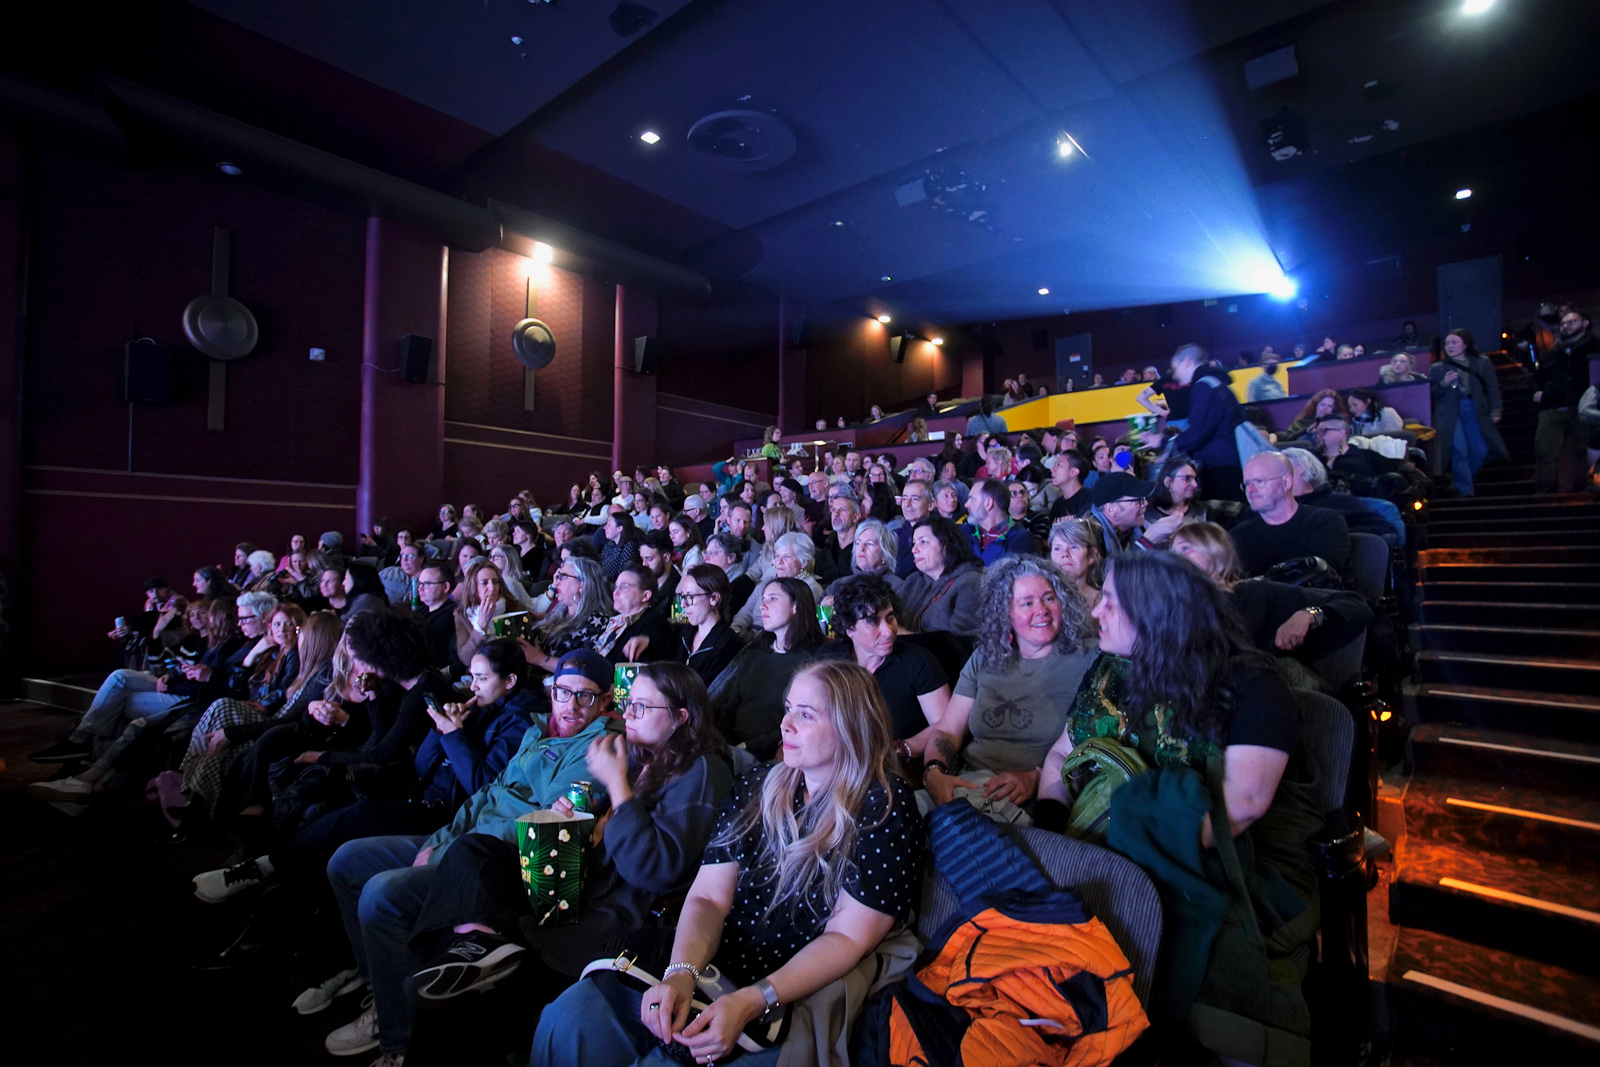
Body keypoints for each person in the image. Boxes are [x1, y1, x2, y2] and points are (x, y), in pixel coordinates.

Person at [532, 659, 923, 1067]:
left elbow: (846, 939)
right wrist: (680, 973)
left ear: (851, 727)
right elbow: (708, 898)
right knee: (569, 1016)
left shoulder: (884, 806)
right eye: (788, 708)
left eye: (805, 715)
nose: (785, 724)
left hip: (789, 989)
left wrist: (752, 1000)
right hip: (714, 962)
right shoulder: (761, 783)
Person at [1037, 551, 1320, 1059]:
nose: (1096, 611)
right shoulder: (1110, 670)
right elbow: (1062, 752)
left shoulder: (1248, 683)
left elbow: (1244, 805)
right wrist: (1055, 828)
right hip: (1100, 835)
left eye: (1110, 603)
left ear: (1155, 615)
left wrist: (1125, 855)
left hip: (1218, 853)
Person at [399, 662, 733, 1067]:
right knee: (473, 852)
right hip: (566, 891)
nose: (626, 714)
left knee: (453, 1009)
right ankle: (478, 948)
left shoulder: (700, 770)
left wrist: (617, 787)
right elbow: (608, 839)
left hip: (605, 926)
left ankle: (478, 963)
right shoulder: (646, 760)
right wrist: (577, 820)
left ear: (681, 718)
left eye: (641, 707)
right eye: (628, 703)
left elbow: (653, 869)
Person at [320, 648, 614, 1063]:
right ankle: (379, 985)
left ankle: (397, 1040)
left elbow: (541, 827)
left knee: (381, 893)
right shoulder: (536, 729)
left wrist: (451, 850)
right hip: (457, 836)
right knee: (346, 860)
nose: (571, 705)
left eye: (585, 696)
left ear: (604, 702)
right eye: (563, 692)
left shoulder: (597, 749)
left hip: (492, 862)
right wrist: (440, 840)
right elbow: (484, 795)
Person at [921, 556, 1098, 823]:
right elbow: (947, 730)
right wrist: (934, 773)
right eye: (1027, 603)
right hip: (965, 783)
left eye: (1049, 598)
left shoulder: (1090, 658)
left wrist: (1036, 778)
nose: (1042, 610)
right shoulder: (985, 657)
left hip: (1031, 801)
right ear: (1006, 614)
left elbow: (1093, 752)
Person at [1174, 522, 1372, 690]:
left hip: (1253, 695)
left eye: (1185, 548)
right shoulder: (1171, 605)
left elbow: (1355, 604)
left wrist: (1308, 614)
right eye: (1173, 551)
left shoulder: (1253, 593)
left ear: (1216, 552)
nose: (1174, 557)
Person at [820, 575, 949, 753]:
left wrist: (904, 748)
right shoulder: (828, 661)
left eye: (890, 618)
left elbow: (945, 725)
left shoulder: (919, 662)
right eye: (873, 621)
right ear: (849, 628)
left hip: (897, 764)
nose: (888, 631)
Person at [713, 576, 825, 758]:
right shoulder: (754, 652)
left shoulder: (814, 661)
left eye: (772, 599)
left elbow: (800, 722)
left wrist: (745, 747)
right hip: (732, 746)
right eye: (763, 599)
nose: (762, 606)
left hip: (774, 752)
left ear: (796, 606)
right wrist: (720, 743)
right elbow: (730, 707)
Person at [1231, 451, 1352, 582]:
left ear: (1286, 482)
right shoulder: (1238, 535)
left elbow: (1320, 576)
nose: (1250, 490)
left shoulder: (1325, 522)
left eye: (1259, 481)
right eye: (1247, 484)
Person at [1429, 328, 1509, 497]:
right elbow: (1431, 394)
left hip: (1474, 407)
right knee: (1459, 450)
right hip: (1450, 411)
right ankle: (1466, 492)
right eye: (1447, 343)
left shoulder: (1481, 362)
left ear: (1465, 344)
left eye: (1454, 342)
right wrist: (1444, 383)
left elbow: (1492, 387)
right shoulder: (1437, 368)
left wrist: (1496, 409)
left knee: (1480, 449)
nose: (1450, 346)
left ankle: (1460, 480)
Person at [1532, 307, 1597, 493]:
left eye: (1572, 322)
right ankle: (1545, 489)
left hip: (1582, 408)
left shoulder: (1594, 348)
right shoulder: (1553, 354)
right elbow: (1537, 378)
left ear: (1585, 323)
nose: (1566, 326)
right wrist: (1537, 392)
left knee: (1580, 449)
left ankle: (1581, 486)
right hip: (1552, 407)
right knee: (1544, 449)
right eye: (1563, 323)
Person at [1168, 344, 1245, 501]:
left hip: (1219, 467)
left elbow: (1198, 433)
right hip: (1231, 461)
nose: (1175, 375)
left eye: (1176, 368)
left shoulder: (1203, 387)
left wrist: (1164, 442)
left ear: (1187, 362)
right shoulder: (1217, 384)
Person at [1281, 447, 1403, 545]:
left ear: (1301, 468)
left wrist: (1339, 533)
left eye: (1280, 469)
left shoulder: (1339, 501)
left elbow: (1386, 529)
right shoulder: (1272, 506)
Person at [898, 515, 985, 635]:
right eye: (914, 543)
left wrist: (904, 635)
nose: (914, 549)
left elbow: (960, 643)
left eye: (923, 542)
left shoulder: (971, 582)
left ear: (946, 544)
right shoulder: (914, 580)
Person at [523, 557, 612, 674]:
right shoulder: (558, 612)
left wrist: (539, 659)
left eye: (563, 576)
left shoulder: (597, 621)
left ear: (582, 584)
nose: (556, 582)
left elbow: (584, 668)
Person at [732, 532, 824, 634]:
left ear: (803, 562)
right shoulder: (767, 581)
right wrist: (736, 628)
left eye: (787, 557)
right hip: (747, 635)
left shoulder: (810, 588)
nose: (779, 561)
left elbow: (794, 628)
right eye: (777, 556)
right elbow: (746, 612)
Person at [669, 564, 743, 687]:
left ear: (714, 598)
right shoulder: (680, 634)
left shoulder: (728, 645)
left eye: (690, 597)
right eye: (682, 596)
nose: (682, 604)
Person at [594, 564, 674, 665]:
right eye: (616, 587)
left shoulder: (655, 622)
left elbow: (658, 641)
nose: (615, 592)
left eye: (624, 587)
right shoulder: (614, 623)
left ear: (645, 595)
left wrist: (648, 641)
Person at [1085, 471, 1180, 556]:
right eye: (1138, 500)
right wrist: (1147, 541)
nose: (1146, 503)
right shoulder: (1086, 539)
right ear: (1111, 509)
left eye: (1143, 498)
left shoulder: (1139, 528)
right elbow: (1110, 574)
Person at [1141, 453, 1210, 545]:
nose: (1195, 485)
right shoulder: (1146, 516)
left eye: (1195, 479)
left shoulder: (1202, 512)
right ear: (1168, 482)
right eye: (1188, 478)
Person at [965, 479, 1036, 564]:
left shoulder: (1021, 540)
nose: (966, 504)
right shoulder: (964, 532)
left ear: (988, 504)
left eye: (972, 499)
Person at [1047, 517, 1105, 614]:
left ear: (1091, 555)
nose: (1065, 553)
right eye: (1057, 549)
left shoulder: (1103, 601)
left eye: (1074, 547)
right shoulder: (1043, 598)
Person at [1284, 389, 1348, 442]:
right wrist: (1306, 431)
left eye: (1329, 406)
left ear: (1333, 409)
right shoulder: (1301, 422)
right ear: (1316, 405)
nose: (1325, 408)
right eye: (1322, 404)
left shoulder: (1337, 425)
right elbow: (1287, 438)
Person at [1047, 449, 1094, 520]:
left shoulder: (1089, 499)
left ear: (1073, 472)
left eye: (1058, 465)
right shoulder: (1057, 505)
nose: (1052, 469)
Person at [381, 541, 425, 606]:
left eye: (410, 556)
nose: (404, 560)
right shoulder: (389, 572)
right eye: (403, 556)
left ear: (421, 559)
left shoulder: (427, 579)